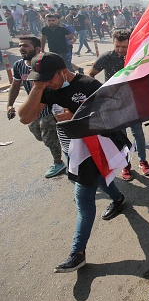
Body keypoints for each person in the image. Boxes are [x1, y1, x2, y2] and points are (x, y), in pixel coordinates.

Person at [18, 52, 129, 273]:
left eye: (49, 79)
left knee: (82, 199)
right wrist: (39, 88)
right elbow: (25, 117)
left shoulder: (88, 84)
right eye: (42, 80)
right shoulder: (47, 88)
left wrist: (76, 119)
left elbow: (114, 116)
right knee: (99, 182)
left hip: (95, 149)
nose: (48, 83)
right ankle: (118, 198)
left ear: (63, 71)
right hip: (72, 150)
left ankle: (77, 253)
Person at [87, 30, 149, 179]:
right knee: (121, 136)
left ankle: (143, 161)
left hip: (134, 102)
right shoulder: (107, 57)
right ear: (113, 43)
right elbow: (89, 75)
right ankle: (125, 165)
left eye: (124, 46)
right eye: (118, 46)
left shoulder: (136, 56)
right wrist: (101, 91)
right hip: (115, 104)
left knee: (138, 134)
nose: (121, 50)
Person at [6, 37, 65, 178]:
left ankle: (58, 162)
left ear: (37, 49)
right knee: (37, 132)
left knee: (49, 137)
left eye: (26, 46)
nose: (21, 48)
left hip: (50, 108)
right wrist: (10, 105)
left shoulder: (46, 64)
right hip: (34, 108)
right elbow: (15, 86)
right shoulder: (19, 66)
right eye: (20, 46)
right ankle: (61, 144)